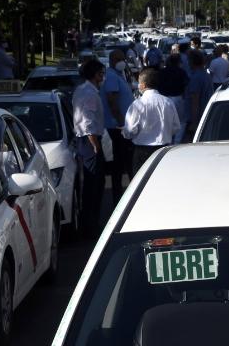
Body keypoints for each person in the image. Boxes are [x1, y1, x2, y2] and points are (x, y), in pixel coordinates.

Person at [70, 58, 109, 232]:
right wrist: (95, 145)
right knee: (93, 184)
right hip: (89, 141)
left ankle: (90, 222)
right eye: (101, 73)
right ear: (94, 75)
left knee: (92, 184)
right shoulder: (90, 94)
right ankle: (91, 225)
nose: (103, 76)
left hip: (86, 140)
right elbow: (88, 121)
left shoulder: (84, 90)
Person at [123, 67, 185, 162]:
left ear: (143, 85)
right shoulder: (168, 102)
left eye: (139, 83)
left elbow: (130, 130)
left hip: (142, 150)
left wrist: (125, 133)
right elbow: (176, 127)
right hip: (163, 149)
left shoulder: (137, 104)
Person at [100, 45, 135, 190]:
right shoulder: (112, 76)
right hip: (117, 126)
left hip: (121, 124)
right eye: (120, 59)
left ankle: (122, 188)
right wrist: (121, 122)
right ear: (112, 60)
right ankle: (118, 191)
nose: (123, 61)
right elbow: (111, 100)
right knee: (121, 160)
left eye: (124, 59)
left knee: (123, 159)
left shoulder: (119, 74)